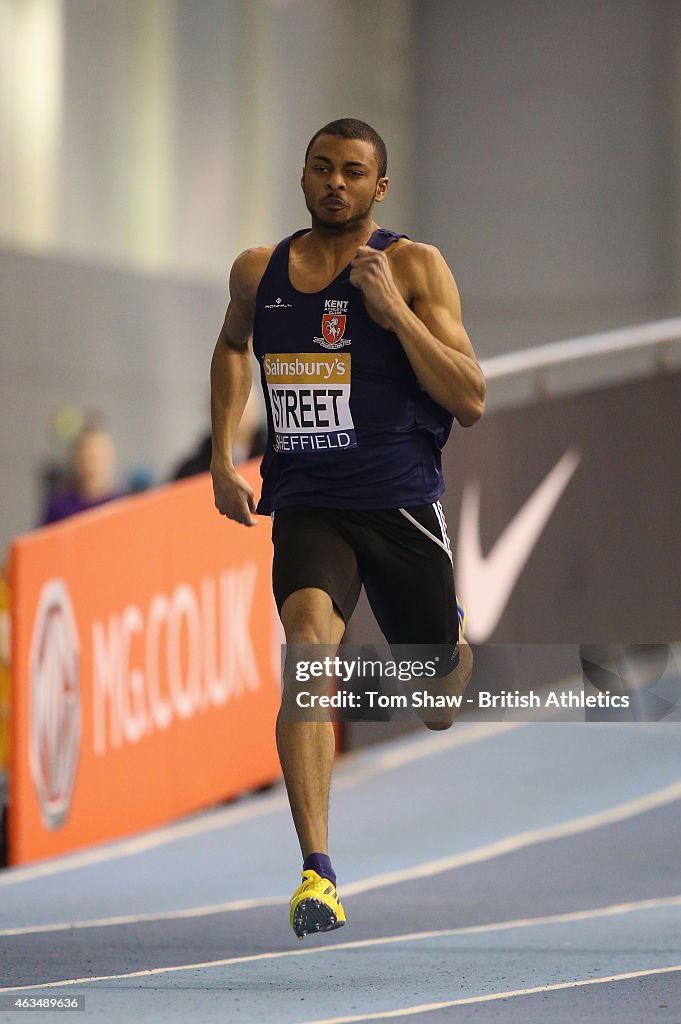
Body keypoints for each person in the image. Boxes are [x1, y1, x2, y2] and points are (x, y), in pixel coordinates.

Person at [210, 118, 486, 940]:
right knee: (306, 648)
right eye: (323, 169)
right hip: (308, 502)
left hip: (399, 504)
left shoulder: (414, 265)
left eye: (354, 172)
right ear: (302, 178)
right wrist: (225, 455)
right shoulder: (258, 272)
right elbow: (231, 347)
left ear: (379, 187)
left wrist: (395, 313)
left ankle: (451, 634)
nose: (337, 182)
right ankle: (317, 872)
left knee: (435, 700)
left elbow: (469, 397)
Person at [42, 427, 123, 525]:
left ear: (109, 459)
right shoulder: (59, 507)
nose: (89, 465)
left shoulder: (122, 506)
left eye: (94, 459)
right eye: (84, 458)